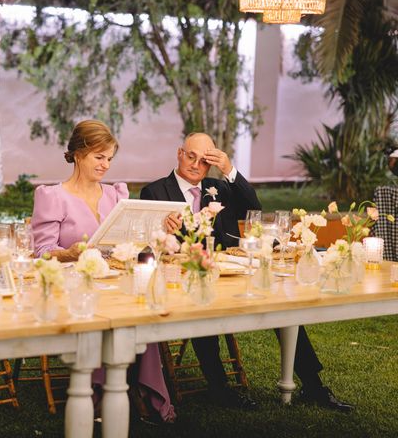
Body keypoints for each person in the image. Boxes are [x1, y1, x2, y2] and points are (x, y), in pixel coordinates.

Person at [141, 132, 354, 412]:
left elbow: (254, 207)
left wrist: (229, 170)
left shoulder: (219, 186)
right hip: (187, 275)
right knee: (203, 307)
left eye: (204, 161)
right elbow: (148, 238)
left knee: (283, 304)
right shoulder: (154, 191)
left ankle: (313, 385)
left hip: (233, 270)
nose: (195, 165)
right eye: (190, 156)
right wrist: (163, 227)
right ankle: (220, 389)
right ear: (180, 153)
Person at [31, 119, 176, 424]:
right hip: (73, 285)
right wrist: (67, 254)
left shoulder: (116, 195)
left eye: (110, 158)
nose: (106, 165)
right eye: (99, 157)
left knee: (141, 307)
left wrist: (160, 228)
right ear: (79, 154)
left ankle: (143, 390)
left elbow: (134, 241)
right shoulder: (52, 196)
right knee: (105, 309)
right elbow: (42, 254)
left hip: (114, 280)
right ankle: (101, 394)